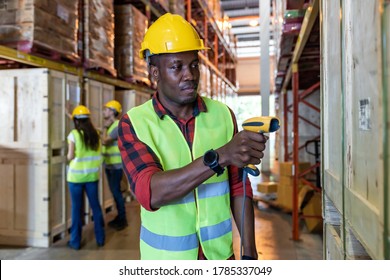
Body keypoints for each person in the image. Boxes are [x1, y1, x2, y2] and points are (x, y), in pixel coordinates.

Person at [118, 13, 267, 260]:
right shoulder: (135, 123)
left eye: (194, 65)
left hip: (219, 257)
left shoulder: (222, 115)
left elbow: (239, 185)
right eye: (177, 67)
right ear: (155, 74)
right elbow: (150, 192)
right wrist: (220, 156)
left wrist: (249, 252)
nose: (189, 75)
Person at [66, 105, 105, 250]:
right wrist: (69, 114)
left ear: (76, 120)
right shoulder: (96, 134)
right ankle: (100, 239)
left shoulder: (74, 134)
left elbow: (70, 156)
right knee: (96, 207)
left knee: (77, 209)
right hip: (92, 177)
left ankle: (75, 242)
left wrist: (67, 157)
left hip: (76, 179)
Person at [102, 100, 128, 230]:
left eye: (107, 109)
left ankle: (122, 219)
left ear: (113, 112)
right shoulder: (113, 125)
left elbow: (104, 141)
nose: (104, 111)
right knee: (115, 191)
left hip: (115, 166)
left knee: (116, 192)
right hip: (110, 165)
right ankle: (120, 216)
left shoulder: (117, 125)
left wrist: (105, 128)